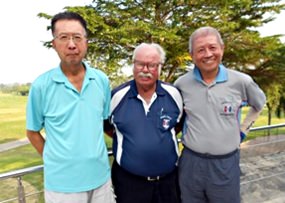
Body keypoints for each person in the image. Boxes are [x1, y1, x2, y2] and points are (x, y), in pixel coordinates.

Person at [26, 11, 115, 203]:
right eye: (64, 37)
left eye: (77, 37)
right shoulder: (41, 86)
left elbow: (103, 122)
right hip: (62, 187)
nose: (72, 44)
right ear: (54, 44)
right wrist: (55, 160)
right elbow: (32, 132)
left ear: (86, 42)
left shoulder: (101, 80)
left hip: (101, 180)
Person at [174, 26, 266, 203]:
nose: (207, 54)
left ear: (222, 49)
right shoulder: (181, 84)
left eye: (212, 47)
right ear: (192, 55)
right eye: (200, 50)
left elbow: (259, 105)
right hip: (191, 163)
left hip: (225, 165)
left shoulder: (242, 81)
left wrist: (243, 130)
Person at [104, 43, 183, 203]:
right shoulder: (116, 97)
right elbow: (107, 126)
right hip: (130, 184)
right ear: (133, 65)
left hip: (169, 182)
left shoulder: (174, 94)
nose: (145, 69)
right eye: (140, 63)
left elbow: (178, 125)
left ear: (160, 67)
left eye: (152, 65)